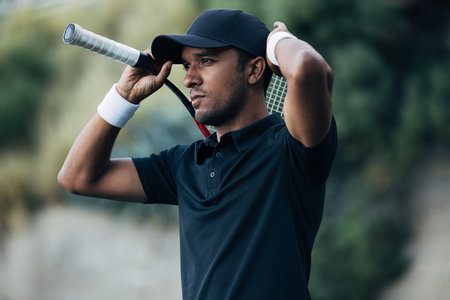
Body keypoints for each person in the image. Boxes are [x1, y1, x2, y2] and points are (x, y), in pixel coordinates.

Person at [58, 8, 337, 300]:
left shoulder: (291, 147)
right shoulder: (183, 164)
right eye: (187, 66)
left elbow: (308, 68)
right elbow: (77, 177)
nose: (190, 79)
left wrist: (279, 41)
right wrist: (123, 96)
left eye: (205, 61)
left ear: (254, 70)